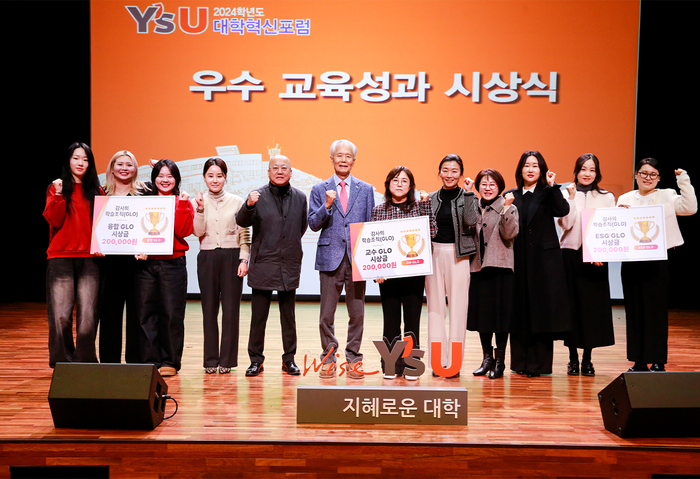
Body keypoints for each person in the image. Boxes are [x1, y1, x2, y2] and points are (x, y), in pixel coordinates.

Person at [617, 158, 697, 372]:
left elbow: (690, 208)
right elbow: (618, 228)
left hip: (658, 261)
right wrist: (619, 214)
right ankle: (638, 361)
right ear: (636, 175)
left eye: (653, 174)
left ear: (659, 178)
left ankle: (658, 360)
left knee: (656, 312)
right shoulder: (625, 198)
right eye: (644, 173)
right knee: (634, 312)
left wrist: (683, 179)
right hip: (632, 261)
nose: (648, 178)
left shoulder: (667, 195)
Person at [308, 139, 375, 379]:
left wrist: (371, 262)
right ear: (332, 159)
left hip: (357, 259)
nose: (343, 160)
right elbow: (313, 224)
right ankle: (328, 358)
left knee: (357, 314)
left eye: (348, 156)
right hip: (330, 258)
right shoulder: (319, 189)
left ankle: (354, 358)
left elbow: (371, 225)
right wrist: (326, 205)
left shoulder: (366, 189)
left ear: (354, 160)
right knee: (327, 314)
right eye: (339, 156)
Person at [236, 155, 308, 377]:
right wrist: (248, 205)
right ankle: (256, 360)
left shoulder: (300, 197)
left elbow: (301, 227)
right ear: (268, 172)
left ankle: (289, 359)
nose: (279, 171)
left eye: (284, 168)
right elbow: (241, 221)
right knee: (258, 318)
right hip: (264, 264)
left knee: (289, 317)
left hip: (289, 264)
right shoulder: (256, 196)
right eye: (275, 168)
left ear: (291, 172)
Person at [509, 150, 572, 377]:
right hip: (518, 259)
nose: (530, 169)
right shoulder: (511, 195)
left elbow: (562, 210)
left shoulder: (548, 193)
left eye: (535, 165)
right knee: (519, 311)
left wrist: (552, 186)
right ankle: (519, 362)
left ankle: (539, 365)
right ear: (520, 170)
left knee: (540, 311)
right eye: (527, 165)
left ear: (542, 170)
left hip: (544, 262)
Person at [371, 166, 437, 380]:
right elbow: (374, 244)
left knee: (412, 320)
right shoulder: (378, 210)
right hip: (388, 275)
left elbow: (432, 232)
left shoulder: (419, 207)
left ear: (411, 186)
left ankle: (411, 365)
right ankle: (391, 365)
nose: (399, 184)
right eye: (395, 180)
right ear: (388, 184)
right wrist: (377, 270)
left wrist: (426, 205)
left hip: (413, 274)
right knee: (390, 320)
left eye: (404, 181)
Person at [44, 142, 104, 368]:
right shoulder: (56, 188)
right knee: (60, 314)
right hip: (60, 256)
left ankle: (85, 360)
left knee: (88, 313)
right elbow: (54, 220)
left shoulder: (97, 191)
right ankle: (62, 361)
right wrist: (59, 194)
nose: (80, 163)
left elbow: (103, 226)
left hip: (90, 258)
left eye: (85, 159)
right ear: (68, 161)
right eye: (76, 158)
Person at [134, 159, 194, 377]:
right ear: (154, 179)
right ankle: (150, 360)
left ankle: (170, 361)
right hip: (145, 264)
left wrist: (184, 205)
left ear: (177, 179)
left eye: (170, 176)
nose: (165, 180)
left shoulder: (182, 201)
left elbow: (183, 231)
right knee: (145, 313)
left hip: (173, 264)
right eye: (160, 175)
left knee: (171, 314)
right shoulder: (143, 201)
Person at [558, 154, 616, 377]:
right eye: (583, 169)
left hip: (596, 258)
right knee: (571, 308)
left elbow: (610, 228)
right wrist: (572, 199)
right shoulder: (565, 194)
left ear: (597, 173)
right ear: (576, 171)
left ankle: (588, 359)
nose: (587, 173)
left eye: (592, 170)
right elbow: (565, 224)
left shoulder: (607, 197)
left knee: (591, 310)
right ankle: (572, 359)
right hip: (570, 255)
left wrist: (601, 252)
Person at [194, 158, 251, 374]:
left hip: (232, 256)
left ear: (225, 177)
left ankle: (227, 360)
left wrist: (244, 259)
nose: (215, 180)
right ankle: (210, 360)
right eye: (210, 176)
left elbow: (245, 233)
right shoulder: (198, 201)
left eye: (219, 176)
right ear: (204, 178)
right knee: (209, 311)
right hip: (207, 257)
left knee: (230, 311)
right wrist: (200, 210)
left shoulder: (237, 201)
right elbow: (197, 232)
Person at [425, 154, 479, 378]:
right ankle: (438, 362)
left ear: (461, 174)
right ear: (439, 173)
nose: (449, 175)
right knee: (435, 309)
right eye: (445, 170)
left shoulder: (469, 196)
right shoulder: (430, 198)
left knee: (458, 309)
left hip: (459, 255)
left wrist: (468, 194)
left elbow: (471, 222)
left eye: (454, 171)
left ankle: (454, 363)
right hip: (433, 254)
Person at [467, 169, 519, 379]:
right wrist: (468, 195)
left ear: (500, 187)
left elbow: (509, 233)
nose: (487, 188)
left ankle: (500, 361)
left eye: (492, 185)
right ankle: (486, 358)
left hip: (501, 269)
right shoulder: (474, 207)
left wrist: (506, 209)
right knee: (483, 317)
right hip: (478, 269)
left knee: (501, 318)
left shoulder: (509, 206)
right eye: (483, 184)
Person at [98, 150, 148, 364]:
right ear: (112, 168)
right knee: (109, 315)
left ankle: (135, 364)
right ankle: (109, 363)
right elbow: (94, 226)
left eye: (129, 164)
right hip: (108, 265)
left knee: (137, 316)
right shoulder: (101, 194)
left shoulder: (144, 192)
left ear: (135, 169)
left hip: (137, 265)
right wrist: (96, 244)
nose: (124, 168)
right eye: (120, 164)